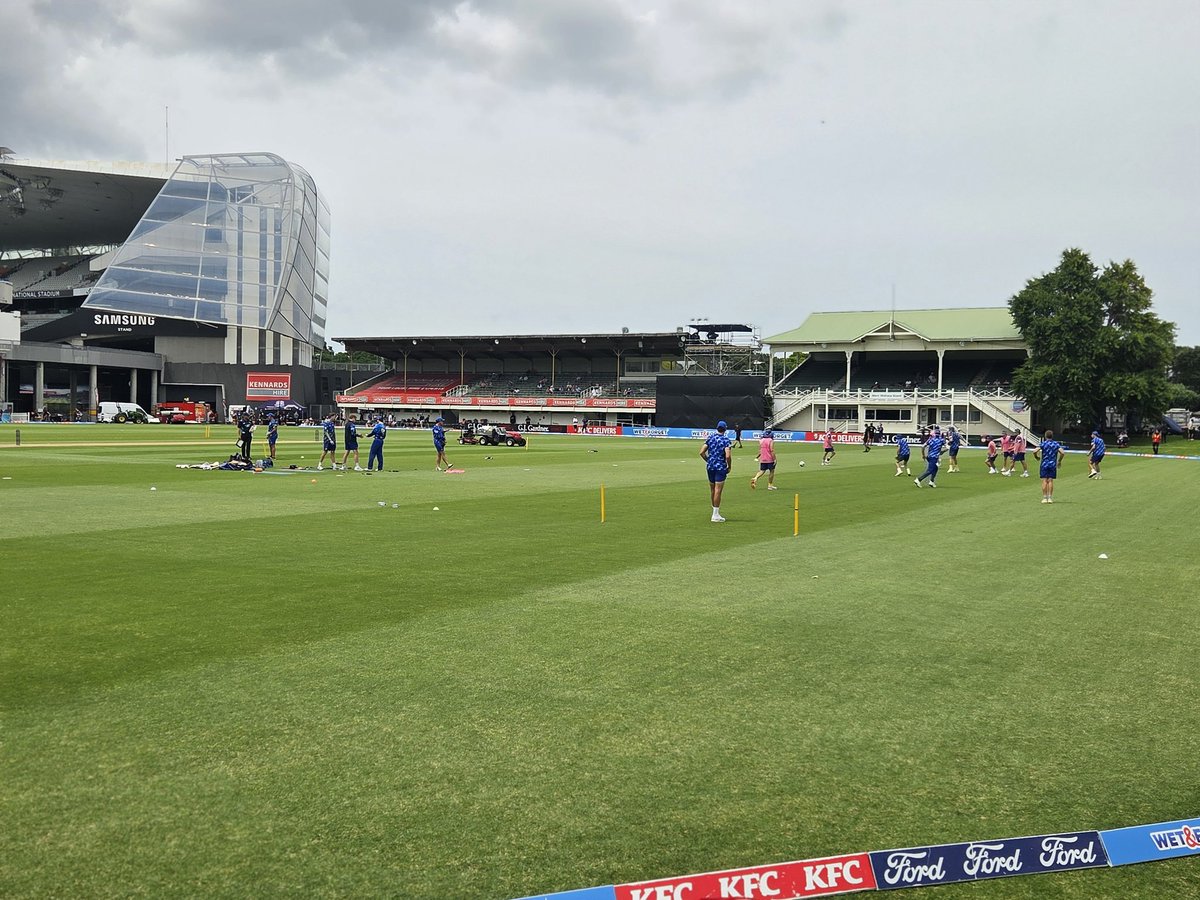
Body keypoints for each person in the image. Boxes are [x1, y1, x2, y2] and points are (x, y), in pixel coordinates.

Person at [701, 420, 733, 522]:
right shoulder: (726, 440)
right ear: (725, 429)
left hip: (710, 467)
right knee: (718, 490)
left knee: (712, 489)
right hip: (720, 467)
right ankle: (715, 514)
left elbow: (701, 452)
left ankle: (714, 510)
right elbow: (727, 455)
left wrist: (708, 460)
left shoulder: (710, 438)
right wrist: (729, 466)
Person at [1034, 429, 1065, 503]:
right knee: (1050, 480)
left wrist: (1036, 457)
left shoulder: (1043, 444)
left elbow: (1034, 451)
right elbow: (1062, 453)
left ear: (1045, 436)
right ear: (1052, 436)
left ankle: (1044, 498)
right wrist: (1059, 461)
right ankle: (1050, 498)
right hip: (1052, 464)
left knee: (1044, 480)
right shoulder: (1056, 444)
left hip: (1044, 464)